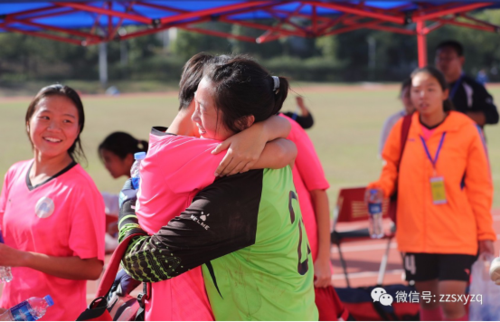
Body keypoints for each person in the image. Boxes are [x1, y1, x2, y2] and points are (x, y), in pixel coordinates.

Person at [118, 56, 318, 321]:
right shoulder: (263, 150)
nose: (195, 117)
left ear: (246, 122)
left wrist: (129, 204)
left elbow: (145, 263)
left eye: (203, 108)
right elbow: (286, 140)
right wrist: (268, 130)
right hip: (293, 308)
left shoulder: (235, 184)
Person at [367, 66, 495, 322]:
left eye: (430, 89)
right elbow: (389, 169)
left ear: (445, 93)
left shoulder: (467, 129)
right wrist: (380, 188)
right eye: (416, 91)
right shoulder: (403, 128)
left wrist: (485, 234)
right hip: (415, 233)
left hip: (456, 232)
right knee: (427, 301)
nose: (422, 96)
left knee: (451, 299)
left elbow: (480, 186)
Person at [0, 85, 105, 321]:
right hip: (11, 313)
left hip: (58, 316)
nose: (54, 128)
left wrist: (21, 257)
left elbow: (92, 268)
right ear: (28, 121)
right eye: (45, 117)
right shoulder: (15, 173)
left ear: (78, 130)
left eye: (67, 121)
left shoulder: (80, 189)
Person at [98, 132, 149, 252]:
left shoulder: (143, 181)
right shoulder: (134, 181)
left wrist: (121, 225)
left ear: (129, 159)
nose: (106, 166)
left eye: (108, 160)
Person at [435, 40, 499, 128]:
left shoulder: (473, 87)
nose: (443, 62)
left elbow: (493, 116)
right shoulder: (431, 86)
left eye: (448, 58)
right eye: (440, 58)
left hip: (466, 139)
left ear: (461, 60)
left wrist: (456, 115)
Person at [379, 78, 415, 156]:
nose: (410, 99)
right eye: (407, 95)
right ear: (401, 97)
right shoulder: (392, 121)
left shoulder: (429, 120)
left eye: (414, 94)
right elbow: (384, 153)